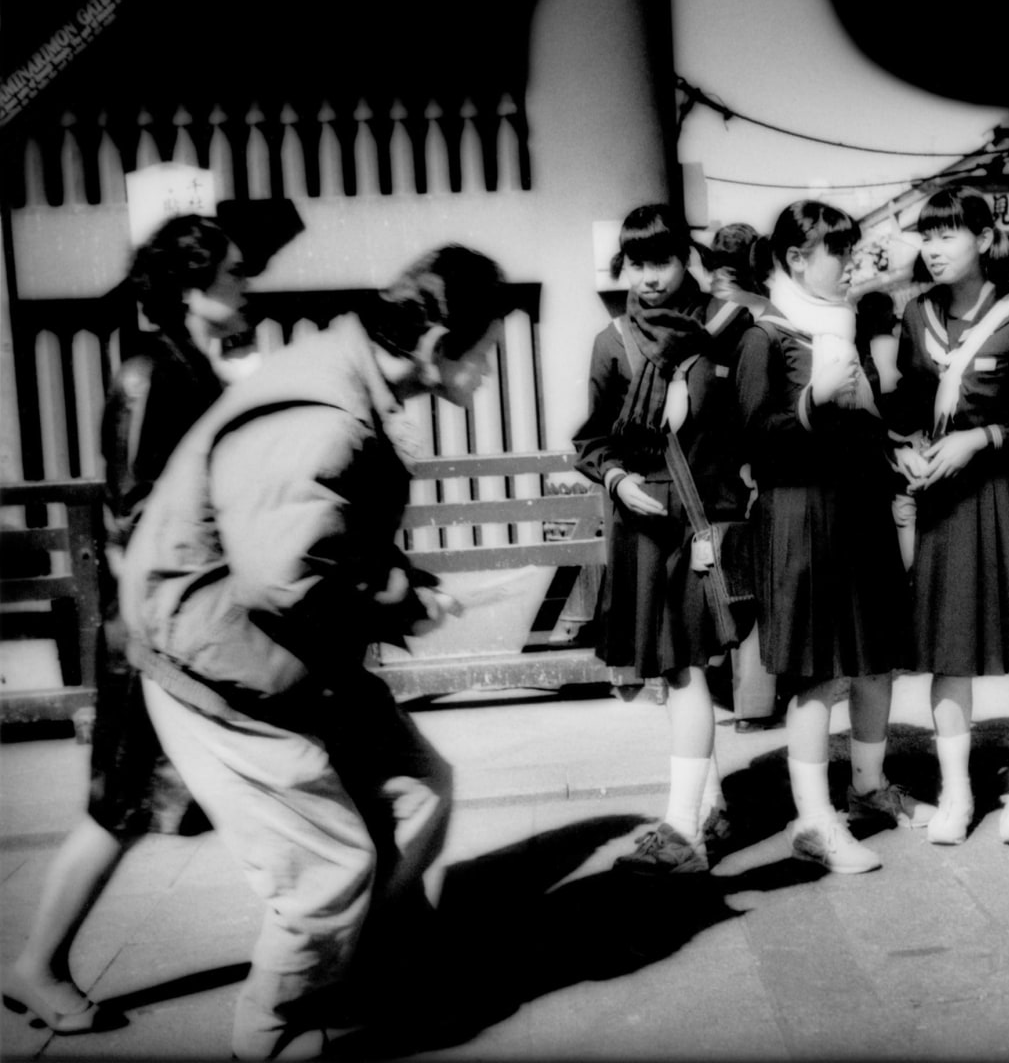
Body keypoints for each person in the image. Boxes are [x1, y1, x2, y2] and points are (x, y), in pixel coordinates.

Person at [117, 244, 510, 1058]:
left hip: (283, 650)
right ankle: (273, 1028)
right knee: (326, 867)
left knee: (418, 789)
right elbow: (282, 576)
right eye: (485, 353)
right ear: (438, 346)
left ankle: (367, 976)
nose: (489, 371)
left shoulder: (346, 376)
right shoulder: (326, 413)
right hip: (218, 663)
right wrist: (404, 603)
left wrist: (401, 584)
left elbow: (320, 534)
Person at [3, 210, 298, 1036]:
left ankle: (323, 944)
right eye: (235, 273)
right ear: (192, 287)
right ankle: (38, 965)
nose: (248, 285)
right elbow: (130, 517)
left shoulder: (192, 365)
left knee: (184, 797)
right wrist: (161, 631)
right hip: (158, 631)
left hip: (185, 621)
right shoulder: (150, 372)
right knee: (123, 807)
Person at [735, 199, 930, 873]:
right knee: (816, 675)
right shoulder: (765, 335)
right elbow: (752, 438)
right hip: (800, 516)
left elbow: (864, 419)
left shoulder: (841, 325)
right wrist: (810, 404)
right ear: (795, 259)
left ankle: (869, 788)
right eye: (837, 252)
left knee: (876, 658)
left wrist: (894, 451)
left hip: (860, 508)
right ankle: (814, 820)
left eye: (851, 251)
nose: (850, 264)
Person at [574, 205, 761, 872]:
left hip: (704, 523)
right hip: (643, 524)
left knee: (684, 673)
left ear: (687, 259)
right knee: (676, 674)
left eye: (661, 260)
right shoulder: (613, 341)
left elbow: (752, 428)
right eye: (636, 263)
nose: (648, 277)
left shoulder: (729, 331)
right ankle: (708, 809)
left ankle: (682, 832)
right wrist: (617, 479)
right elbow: (592, 440)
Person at [881, 188, 1009, 846]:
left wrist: (984, 438)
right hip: (945, 502)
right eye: (927, 236)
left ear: (985, 240)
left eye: (948, 235)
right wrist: (903, 447)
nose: (933, 249)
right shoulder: (916, 314)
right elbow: (910, 404)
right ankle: (956, 794)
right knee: (948, 651)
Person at [699, 222, 785, 734]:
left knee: (725, 578)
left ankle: (724, 689)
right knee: (755, 583)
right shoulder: (768, 311)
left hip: (711, 470)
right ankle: (755, 703)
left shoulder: (709, 314)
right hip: (756, 467)